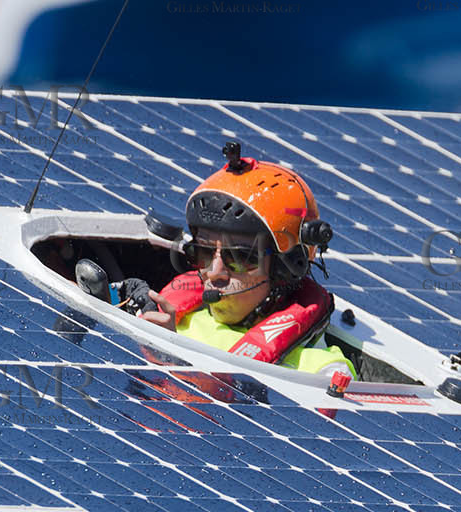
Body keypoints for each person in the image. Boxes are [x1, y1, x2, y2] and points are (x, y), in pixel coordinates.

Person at [137, 142, 355, 377]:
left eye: (240, 257)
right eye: (204, 253)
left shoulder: (321, 370)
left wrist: (172, 359)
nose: (215, 272)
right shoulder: (163, 319)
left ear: (284, 270)